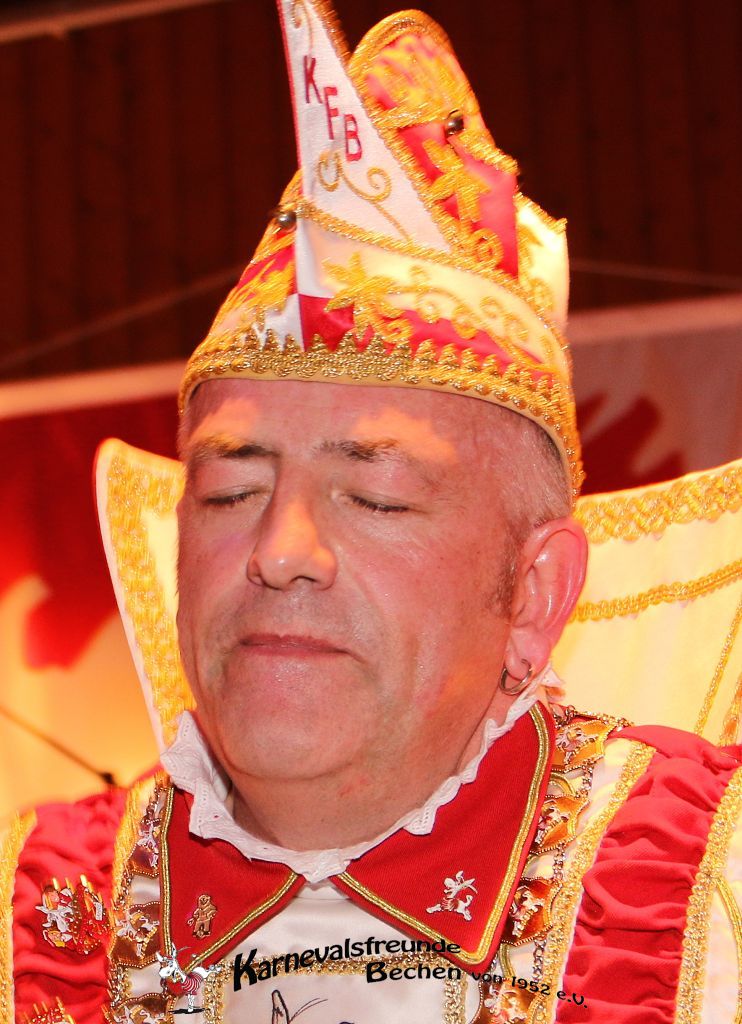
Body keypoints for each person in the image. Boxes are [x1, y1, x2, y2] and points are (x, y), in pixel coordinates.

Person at [4, 1, 740, 1022]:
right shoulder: (31, 920)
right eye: (230, 491)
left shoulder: (709, 898)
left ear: (533, 595)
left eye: (375, 495)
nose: (280, 552)